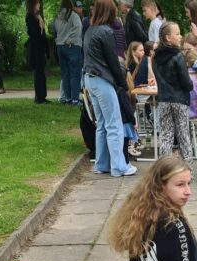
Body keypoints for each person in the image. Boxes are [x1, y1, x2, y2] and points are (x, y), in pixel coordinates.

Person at [83, 0, 137, 177]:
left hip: (90, 79)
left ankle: (102, 164)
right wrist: (122, 82)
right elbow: (113, 61)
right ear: (109, 12)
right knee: (114, 124)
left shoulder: (90, 30)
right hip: (103, 80)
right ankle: (119, 167)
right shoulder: (106, 31)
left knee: (102, 125)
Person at [153, 21, 193, 163]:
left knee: (166, 137)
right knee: (184, 137)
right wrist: (190, 85)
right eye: (177, 34)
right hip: (179, 101)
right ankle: (188, 169)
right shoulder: (178, 56)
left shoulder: (155, 57)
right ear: (168, 38)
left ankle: (164, 170)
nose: (180, 36)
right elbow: (187, 83)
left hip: (163, 100)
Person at [53, 0, 84, 105]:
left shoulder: (58, 16)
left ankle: (68, 98)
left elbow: (52, 28)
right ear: (70, 5)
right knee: (75, 73)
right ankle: (75, 99)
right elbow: (78, 27)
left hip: (60, 46)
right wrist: (70, 40)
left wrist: (58, 39)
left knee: (65, 74)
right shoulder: (73, 16)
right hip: (72, 46)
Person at [25, 0, 50, 104]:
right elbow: (35, 33)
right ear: (33, 4)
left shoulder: (38, 16)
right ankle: (39, 97)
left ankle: (43, 96)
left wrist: (47, 50)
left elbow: (43, 35)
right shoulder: (29, 17)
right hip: (35, 49)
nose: (39, 5)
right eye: (38, 3)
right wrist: (41, 25)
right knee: (38, 73)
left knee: (42, 73)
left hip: (41, 48)